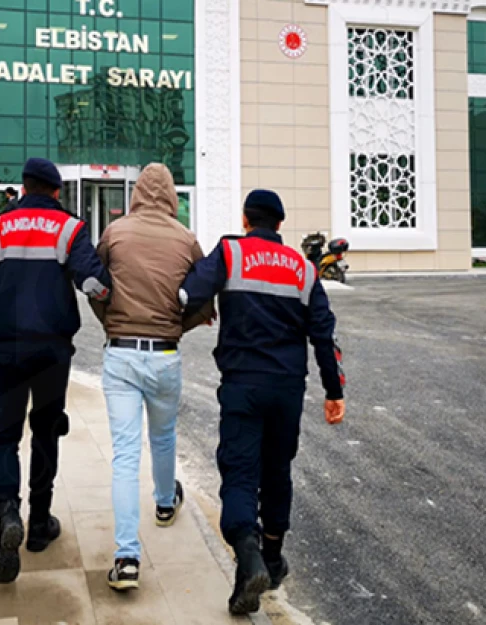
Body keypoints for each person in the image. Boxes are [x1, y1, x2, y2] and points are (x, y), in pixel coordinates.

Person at [0, 158, 112, 585]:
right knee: (46, 428)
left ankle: (7, 513)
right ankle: (39, 524)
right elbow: (94, 284)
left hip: (10, 350)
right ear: (56, 191)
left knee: (4, 434)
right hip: (54, 351)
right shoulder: (71, 228)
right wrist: (108, 294)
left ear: (23, 187)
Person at [179, 189, 346, 615]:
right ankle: (271, 558)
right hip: (287, 388)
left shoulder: (231, 253)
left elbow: (188, 292)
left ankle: (247, 554)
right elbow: (324, 334)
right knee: (276, 470)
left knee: (239, 472)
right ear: (280, 225)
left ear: (245, 219)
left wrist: (200, 309)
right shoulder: (304, 270)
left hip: (242, 385)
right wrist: (334, 391)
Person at [87, 163, 215, 591]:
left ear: (139, 192)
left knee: (125, 456)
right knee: (163, 437)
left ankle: (126, 558)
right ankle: (165, 503)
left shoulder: (116, 233)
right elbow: (203, 295)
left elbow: (95, 284)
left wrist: (111, 322)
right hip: (164, 355)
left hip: (121, 354)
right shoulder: (186, 239)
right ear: (171, 195)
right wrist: (178, 326)